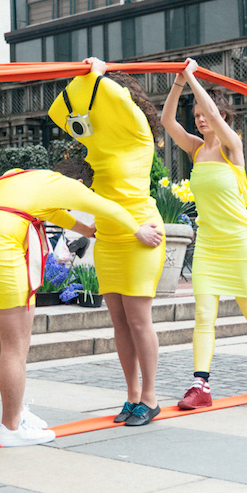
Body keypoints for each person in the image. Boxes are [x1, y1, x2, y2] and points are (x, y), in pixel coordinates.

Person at [0, 159, 163, 445]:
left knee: (3, 338)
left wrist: (86, 231)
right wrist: (139, 230)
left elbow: (54, 213)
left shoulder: (20, 176)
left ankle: (15, 413)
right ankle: (12, 428)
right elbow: (107, 207)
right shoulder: (64, 186)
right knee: (15, 346)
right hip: (0, 254)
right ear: (78, 184)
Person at [48, 57, 166, 426]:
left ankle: (150, 396)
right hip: (111, 234)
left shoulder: (138, 134)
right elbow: (58, 110)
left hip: (141, 233)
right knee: (118, 321)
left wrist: (96, 75)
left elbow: (114, 99)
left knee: (138, 320)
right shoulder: (95, 141)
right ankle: (131, 396)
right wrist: (86, 77)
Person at [160, 58, 247, 407]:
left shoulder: (232, 146)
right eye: (195, 114)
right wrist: (180, 83)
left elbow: (214, 115)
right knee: (203, 315)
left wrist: (195, 77)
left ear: (223, 116)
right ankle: (201, 385)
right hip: (209, 244)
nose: (200, 118)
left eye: (205, 112)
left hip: (240, 241)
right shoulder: (196, 149)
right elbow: (167, 120)